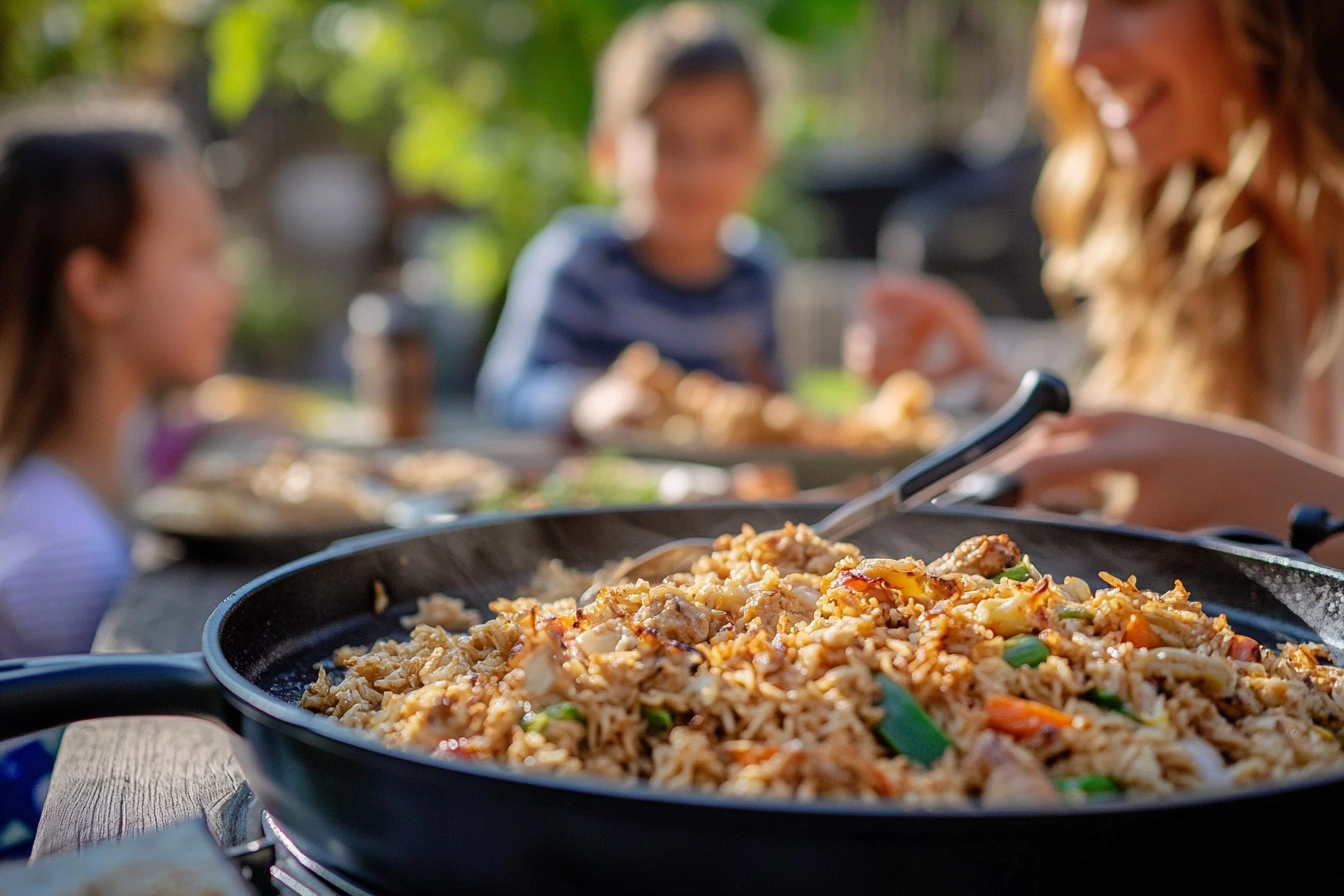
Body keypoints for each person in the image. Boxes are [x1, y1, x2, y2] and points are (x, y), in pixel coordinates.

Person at [848, 0, 1344, 554]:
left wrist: (1282, 490)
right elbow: (1143, 478)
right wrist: (981, 390)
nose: (1073, 49)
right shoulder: (1196, 241)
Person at [0, 99, 237, 857]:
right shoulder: (65, 556)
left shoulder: (122, 457)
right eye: (199, 255)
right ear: (97, 286)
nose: (226, 288)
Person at [476, 2, 779, 431]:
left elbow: (771, 404)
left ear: (759, 155)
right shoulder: (580, 263)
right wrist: (585, 401)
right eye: (669, 144)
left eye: (723, 144)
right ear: (608, 150)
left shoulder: (754, 277)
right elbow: (508, 390)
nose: (698, 174)